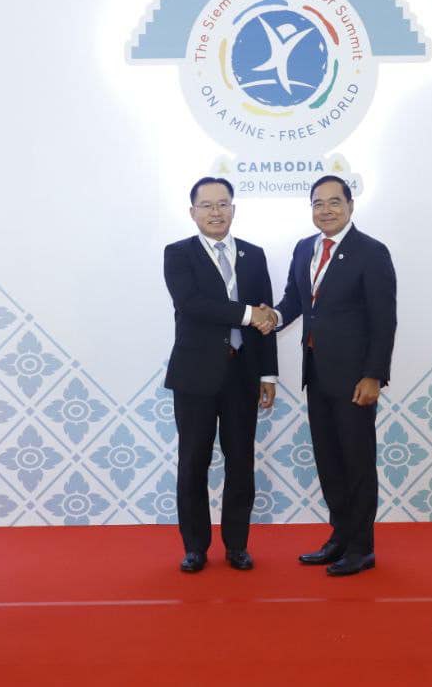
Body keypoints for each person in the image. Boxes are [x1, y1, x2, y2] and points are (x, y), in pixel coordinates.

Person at [263, 175, 396, 576]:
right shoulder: (304, 248)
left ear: (350, 206)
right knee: (330, 462)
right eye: (318, 203)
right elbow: (295, 300)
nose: (326, 210)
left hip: (355, 379)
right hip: (317, 374)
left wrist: (374, 375)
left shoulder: (371, 252)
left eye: (334, 202)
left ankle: (361, 547)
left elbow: (384, 320)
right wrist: (272, 317)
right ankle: (340, 537)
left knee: (357, 463)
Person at [163, 177, 278, 573]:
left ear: (233, 209)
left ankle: (237, 546)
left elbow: (267, 316)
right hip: (195, 375)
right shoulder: (178, 254)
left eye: (223, 204)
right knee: (193, 461)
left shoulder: (254, 255)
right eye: (207, 205)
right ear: (192, 211)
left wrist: (268, 374)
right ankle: (195, 547)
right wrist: (249, 314)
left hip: (242, 375)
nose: (216, 212)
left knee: (241, 461)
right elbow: (192, 304)